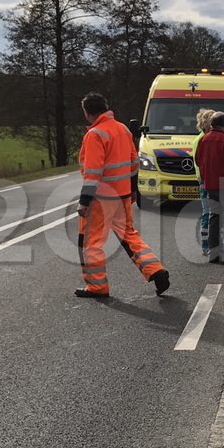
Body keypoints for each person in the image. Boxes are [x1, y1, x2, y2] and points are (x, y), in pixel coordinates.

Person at [76, 92, 169, 298]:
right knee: (129, 236)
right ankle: (155, 270)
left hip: (101, 199)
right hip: (123, 195)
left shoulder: (95, 135)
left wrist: (84, 201)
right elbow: (134, 163)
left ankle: (97, 286)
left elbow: (93, 173)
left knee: (91, 242)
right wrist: (134, 190)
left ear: (87, 112)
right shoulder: (123, 129)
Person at [195, 111, 224, 263]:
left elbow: (198, 160)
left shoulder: (204, 139)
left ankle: (213, 253)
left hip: (210, 183)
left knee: (214, 217)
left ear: (211, 124)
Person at [195, 108, 215, 255]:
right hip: (205, 181)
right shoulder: (202, 139)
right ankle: (205, 244)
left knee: (210, 213)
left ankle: (210, 243)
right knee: (207, 213)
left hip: (207, 179)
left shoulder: (204, 138)